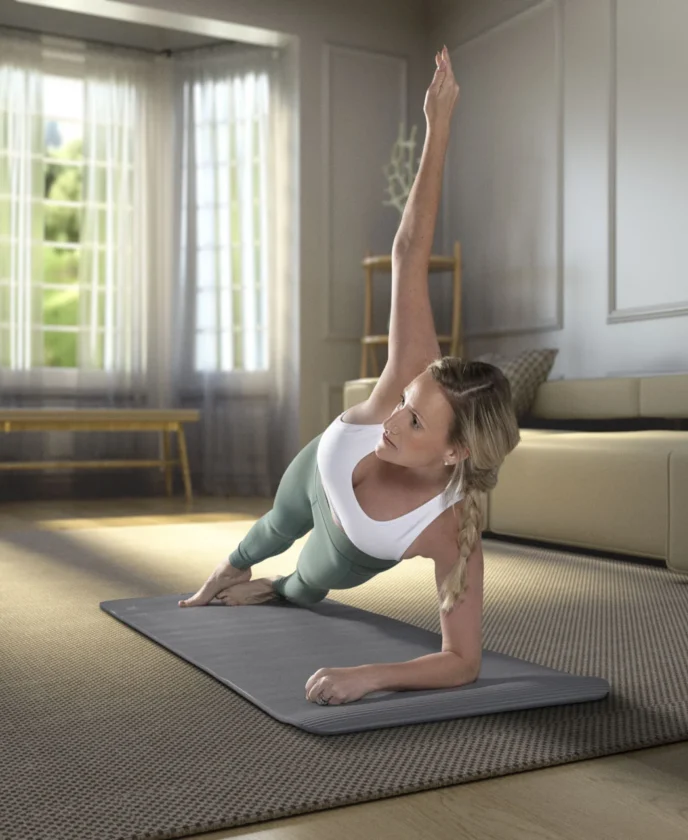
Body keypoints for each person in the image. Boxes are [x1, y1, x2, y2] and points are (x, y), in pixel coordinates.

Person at [179, 46, 520, 707]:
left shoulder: (452, 531)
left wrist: (369, 675)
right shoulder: (411, 382)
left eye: (415, 420)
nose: (392, 415)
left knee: (306, 580)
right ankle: (228, 568)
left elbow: (462, 661)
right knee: (274, 524)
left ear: (456, 452)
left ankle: (272, 588)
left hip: (349, 547)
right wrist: (438, 125)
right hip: (318, 466)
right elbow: (408, 251)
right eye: (404, 402)